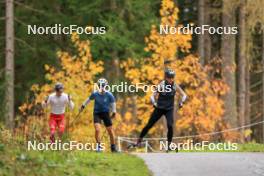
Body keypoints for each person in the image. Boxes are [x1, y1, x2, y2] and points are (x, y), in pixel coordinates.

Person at [135, 69, 187, 151]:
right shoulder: (161, 85)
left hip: (169, 109)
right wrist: (154, 103)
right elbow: (152, 96)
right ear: (166, 78)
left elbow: (184, 95)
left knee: (170, 125)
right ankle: (139, 139)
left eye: (172, 78)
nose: (171, 80)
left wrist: (182, 102)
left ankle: (169, 144)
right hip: (159, 108)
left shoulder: (174, 86)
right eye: (169, 78)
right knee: (149, 125)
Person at [80, 78, 117, 152]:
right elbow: (88, 100)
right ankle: (98, 147)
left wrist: (114, 112)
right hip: (97, 113)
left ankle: (113, 148)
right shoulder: (95, 94)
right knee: (97, 129)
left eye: (103, 86)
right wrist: (83, 106)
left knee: (110, 131)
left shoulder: (109, 94)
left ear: (106, 86)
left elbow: (113, 103)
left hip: (106, 113)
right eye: (100, 86)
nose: (102, 87)